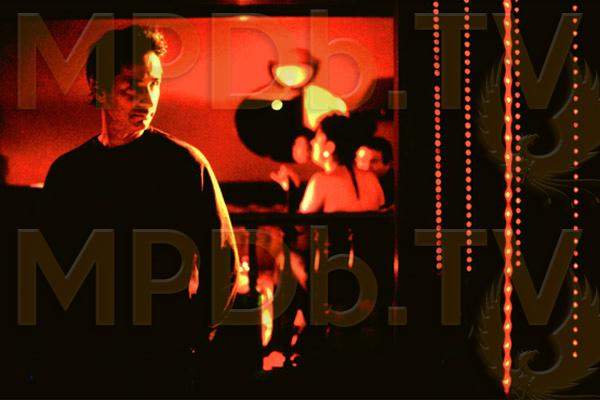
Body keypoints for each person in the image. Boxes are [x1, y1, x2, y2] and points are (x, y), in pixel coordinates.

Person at [39, 25, 238, 396]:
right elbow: (45, 272)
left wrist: (194, 335)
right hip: (86, 359)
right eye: (133, 84)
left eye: (155, 83)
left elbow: (223, 259)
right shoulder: (68, 174)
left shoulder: (184, 166)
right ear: (98, 87)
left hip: (162, 358)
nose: (148, 98)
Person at [299, 114, 384, 213]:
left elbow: (301, 221)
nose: (312, 142)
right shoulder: (372, 179)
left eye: (317, 138)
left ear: (330, 147)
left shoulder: (321, 181)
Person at [355, 136, 395, 208]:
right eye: (363, 161)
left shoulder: (396, 188)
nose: (367, 166)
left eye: (374, 161)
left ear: (388, 164)